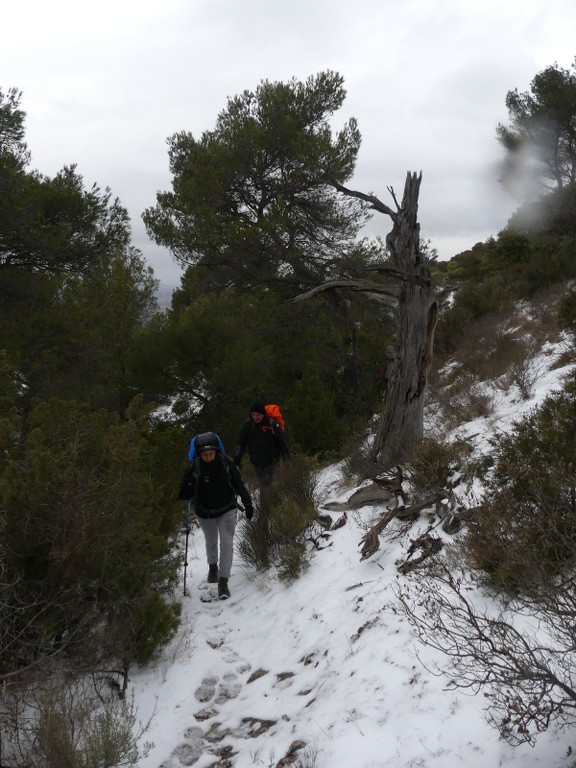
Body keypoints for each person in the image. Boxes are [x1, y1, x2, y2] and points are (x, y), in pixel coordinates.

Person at [177, 431, 254, 599]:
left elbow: (238, 484)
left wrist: (248, 503)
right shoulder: (193, 467)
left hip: (227, 509)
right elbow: (182, 493)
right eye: (204, 454)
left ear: (217, 451)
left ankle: (223, 582)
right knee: (211, 541)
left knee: (226, 543)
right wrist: (188, 488)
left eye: (211, 453)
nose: (208, 457)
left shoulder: (226, 462)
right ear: (199, 455)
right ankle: (213, 567)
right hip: (205, 513)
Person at [234, 401, 290, 488]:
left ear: (263, 414)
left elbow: (282, 442)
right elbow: (241, 442)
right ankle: (272, 500)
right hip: (256, 461)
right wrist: (237, 458)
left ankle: (265, 501)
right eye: (253, 415)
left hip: (271, 461)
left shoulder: (272, 424)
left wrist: (288, 459)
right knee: (264, 483)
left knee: (265, 484)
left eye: (258, 415)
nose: (256, 417)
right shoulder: (247, 425)